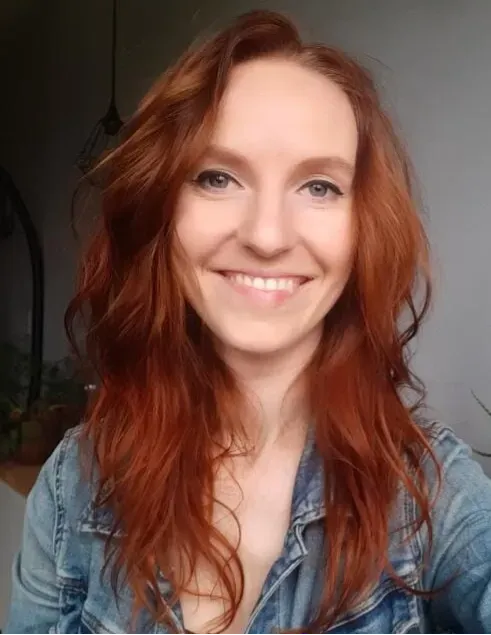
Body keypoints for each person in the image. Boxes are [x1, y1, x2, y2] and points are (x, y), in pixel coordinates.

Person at [6, 9, 491, 635]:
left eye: (319, 186)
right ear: (161, 210)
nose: (266, 236)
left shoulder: (435, 495)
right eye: (218, 177)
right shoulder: (73, 485)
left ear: (363, 228)